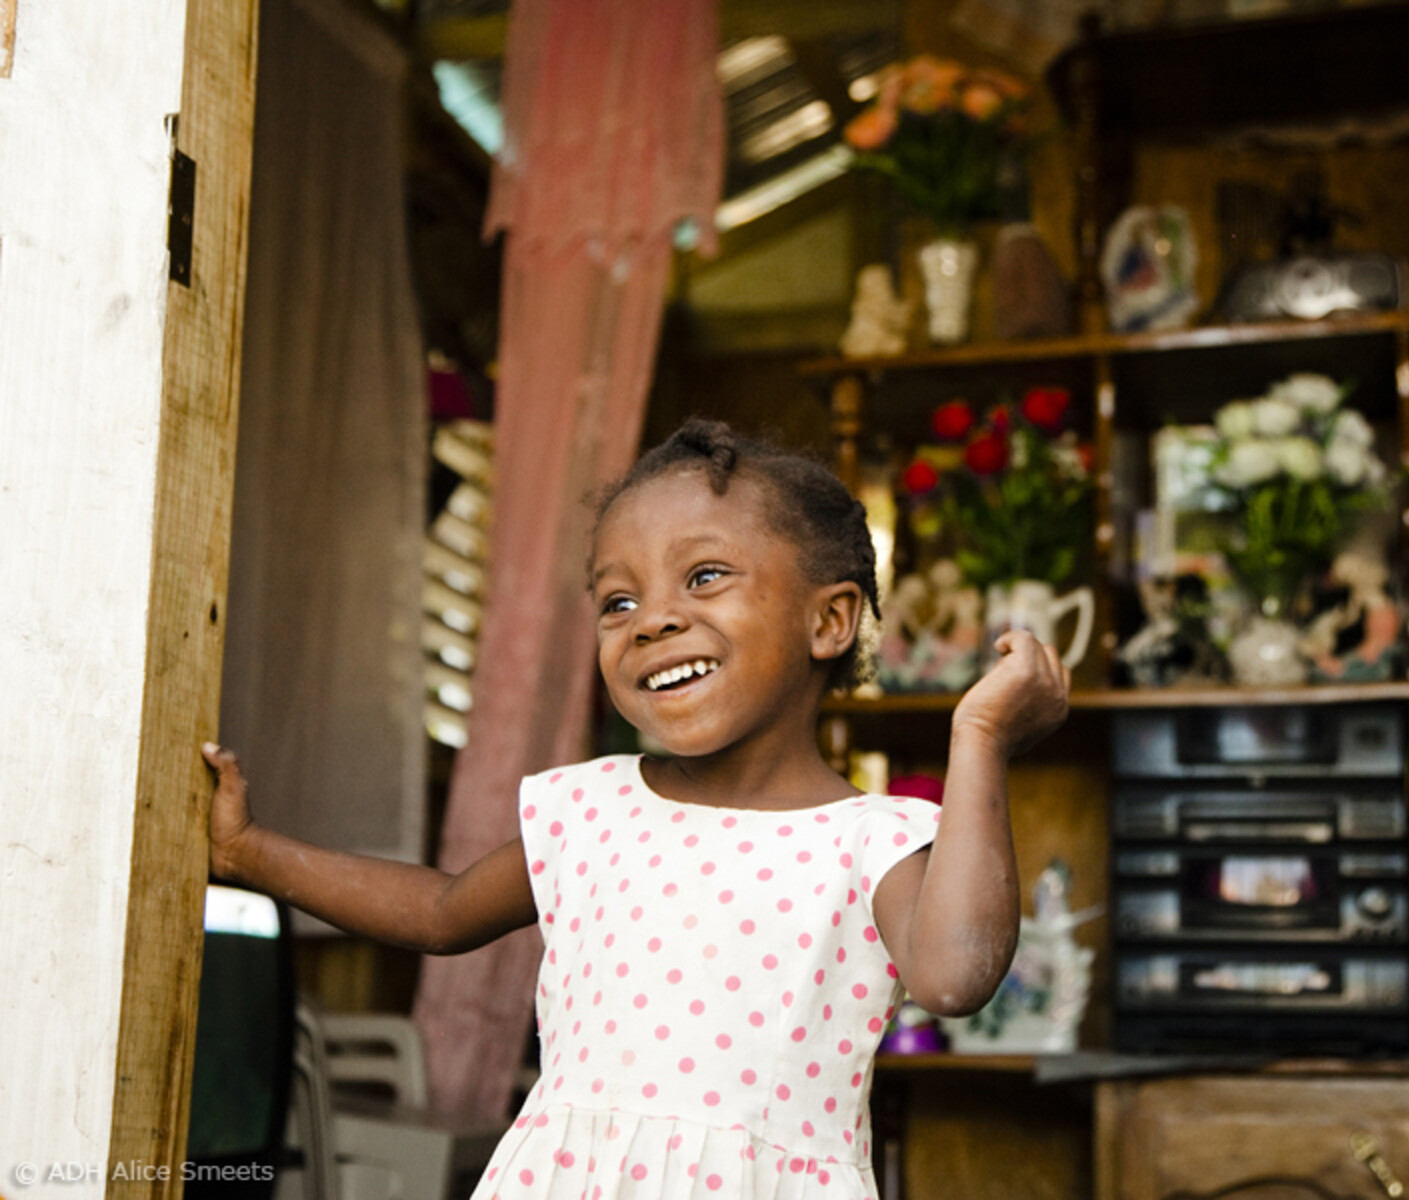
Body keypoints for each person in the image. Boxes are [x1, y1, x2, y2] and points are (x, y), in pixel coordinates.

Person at [203, 417, 1072, 1200]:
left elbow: (955, 977)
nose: (651, 620)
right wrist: (250, 854)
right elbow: (438, 910)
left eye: (704, 577)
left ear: (830, 621)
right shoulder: (592, 810)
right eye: (618, 600)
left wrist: (981, 739)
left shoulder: (867, 841)